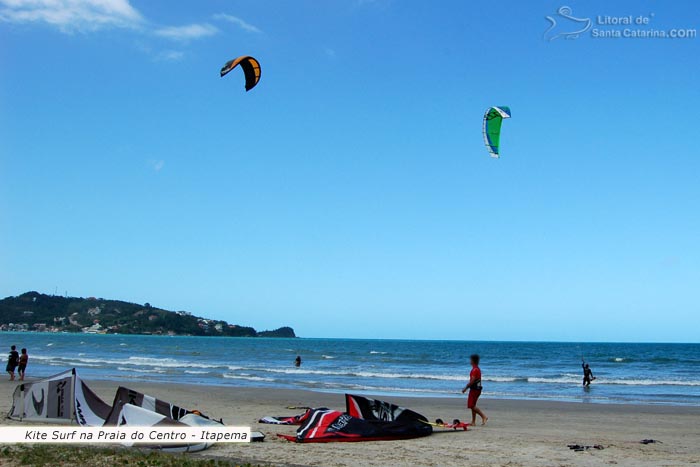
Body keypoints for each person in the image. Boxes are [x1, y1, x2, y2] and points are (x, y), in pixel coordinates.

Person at [461, 354, 488, 426]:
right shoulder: (477, 369)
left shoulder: (475, 370)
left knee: (471, 405)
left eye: (470, 360)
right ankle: (473, 422)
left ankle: (483, 416)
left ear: (473, 361)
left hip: (475, 389)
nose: (470, 361)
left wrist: (465, 388)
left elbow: (472, 380)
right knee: (473, 406)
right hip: (477, 389)